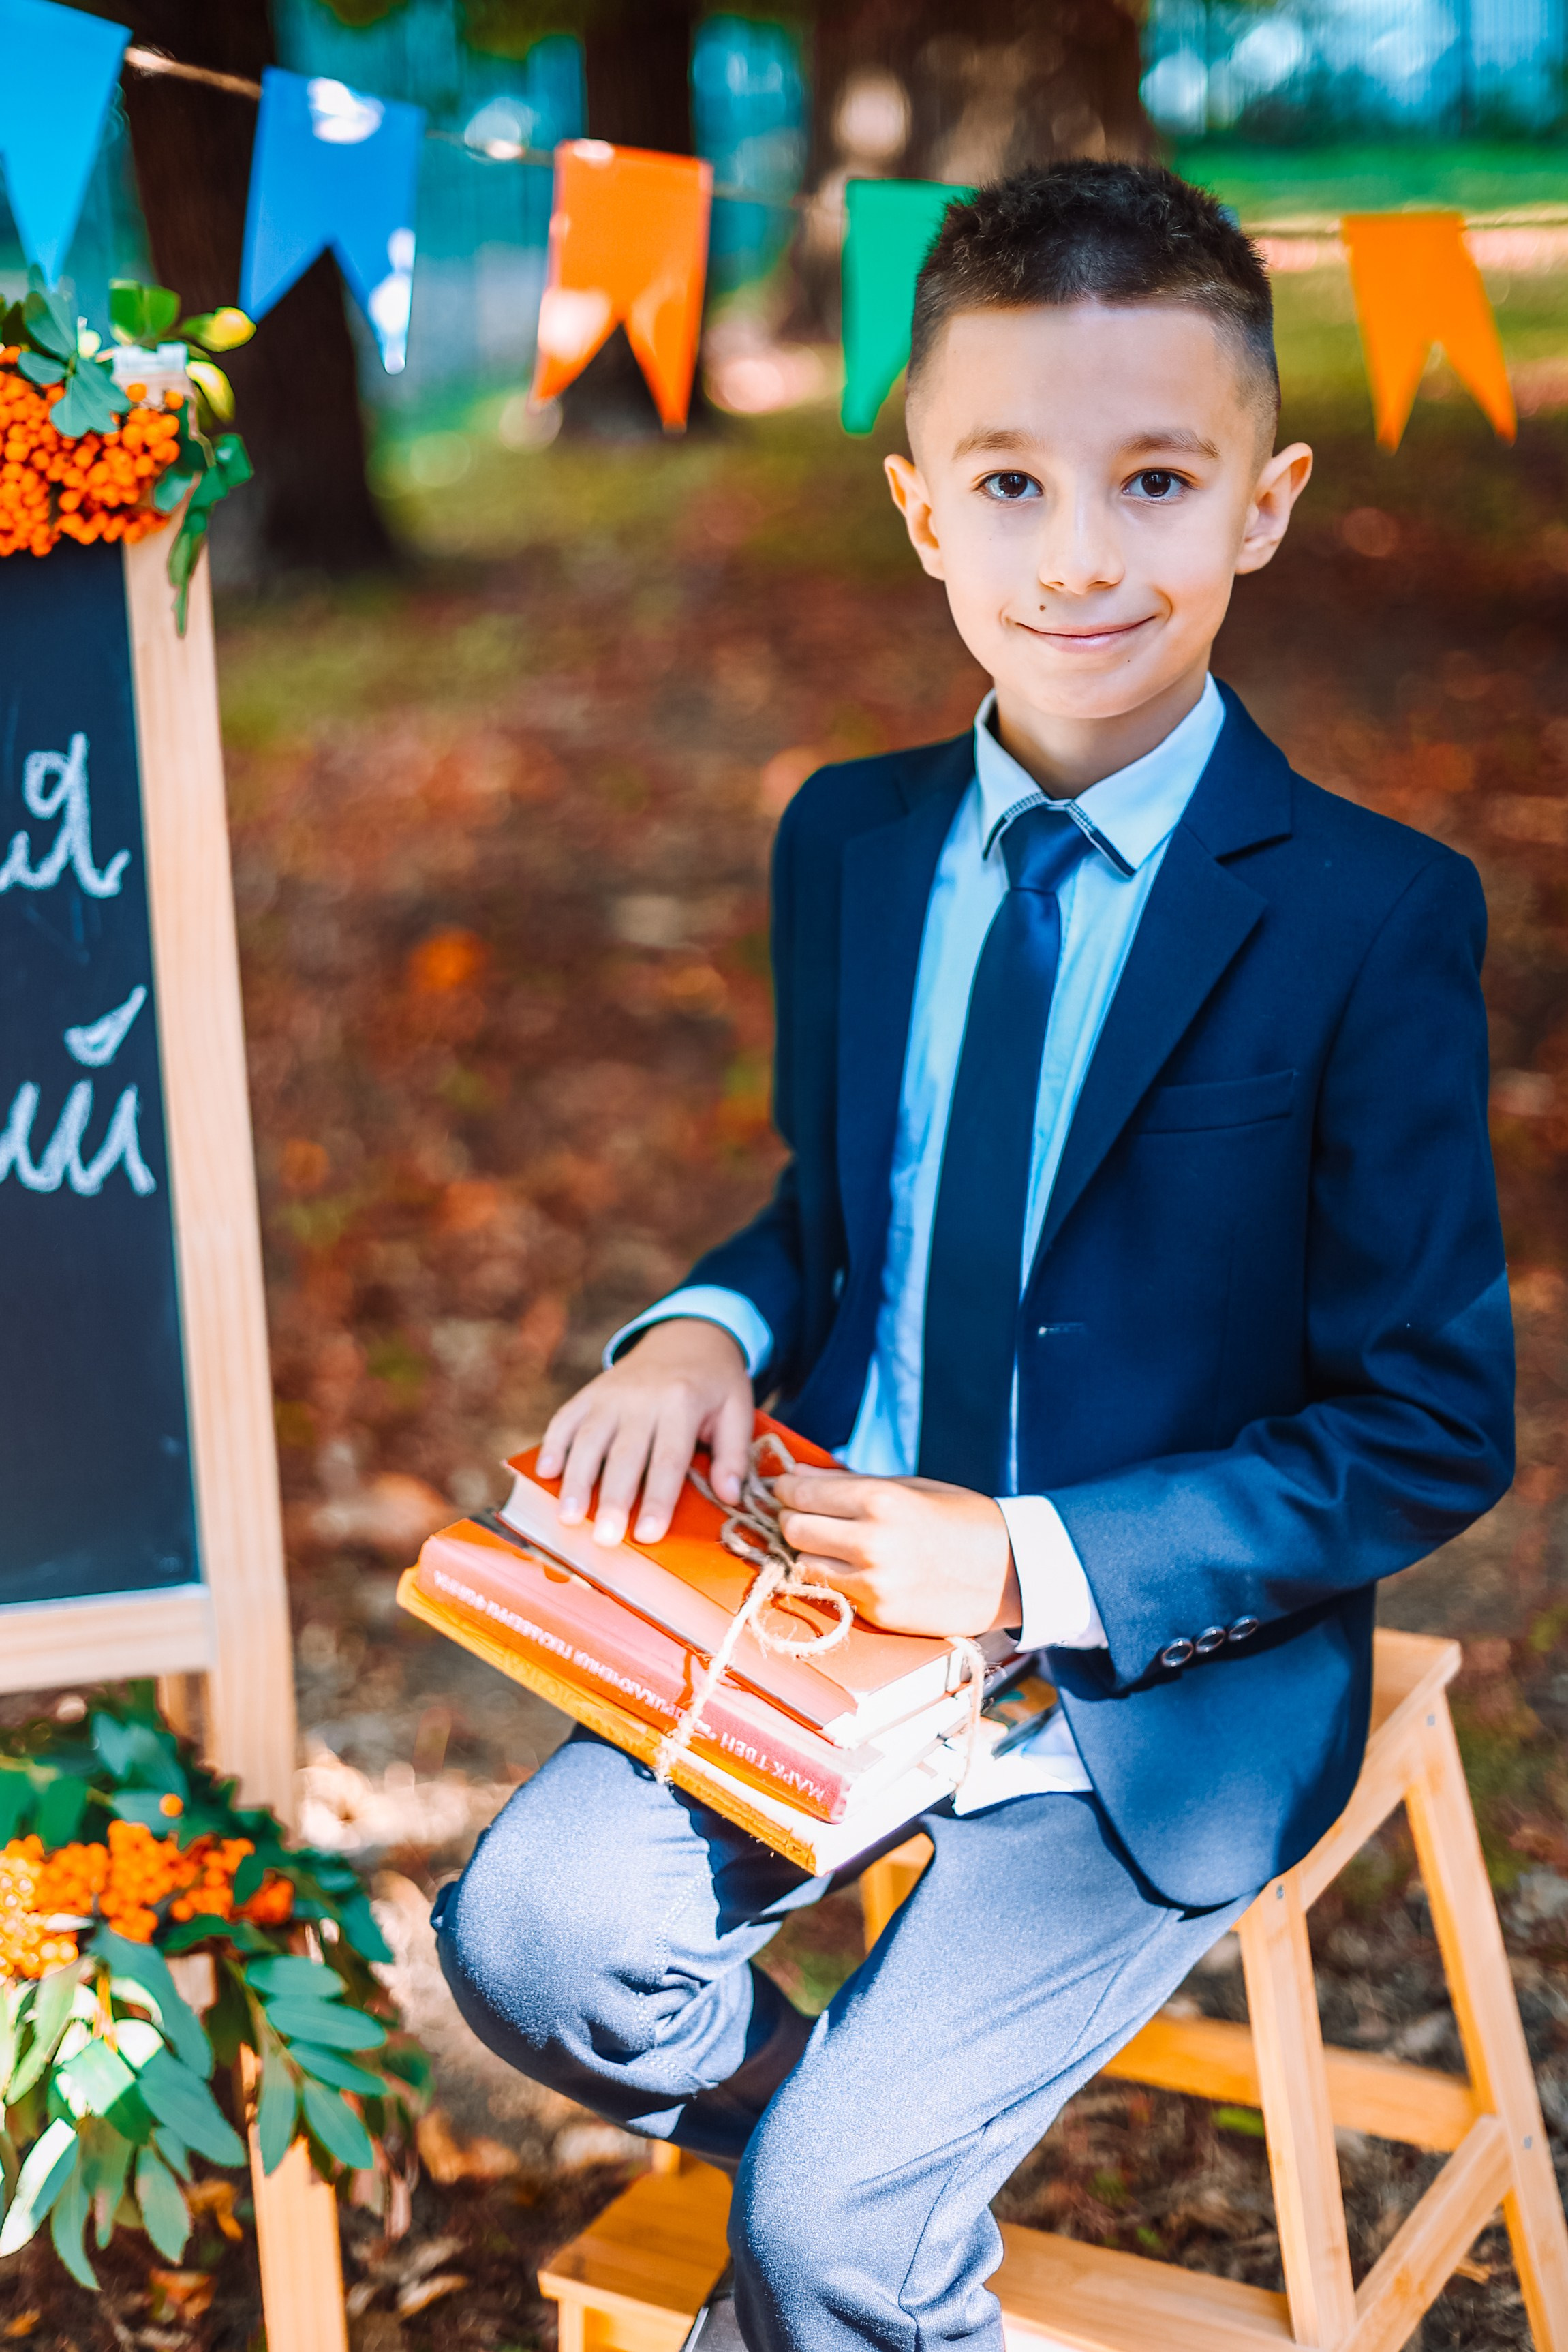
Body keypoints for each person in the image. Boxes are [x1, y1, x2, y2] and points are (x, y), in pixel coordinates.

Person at [433, 161, 1513, 2352]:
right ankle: (836, 2184)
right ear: (923, 506)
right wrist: (703, 1320)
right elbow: (862, 1207)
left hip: (1149, 1675)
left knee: (824, 2245)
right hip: (823, 1614)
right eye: (1011, 481)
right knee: (530, 1945)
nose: (1083, 554)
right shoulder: (846, 838)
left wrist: (1019, 1562)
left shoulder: (1368, 914)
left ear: (1268, 501)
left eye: (1155, 479)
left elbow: (1427, 1425)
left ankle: (838, 2248)